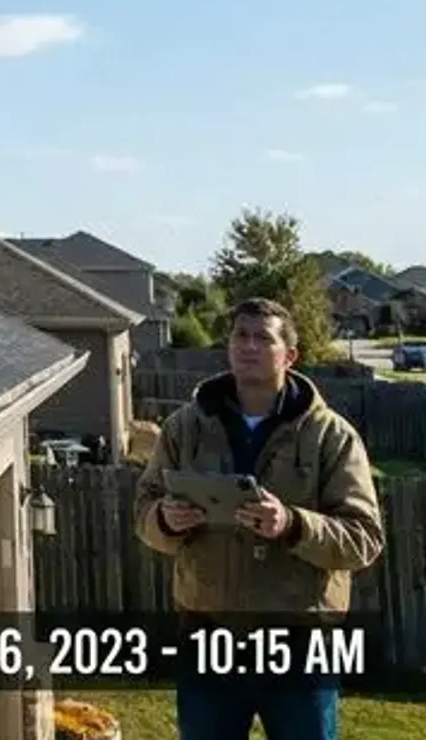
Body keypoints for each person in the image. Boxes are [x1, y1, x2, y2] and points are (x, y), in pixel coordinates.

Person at [134, 297, 384, 740]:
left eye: (262, 337)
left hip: (301, 644)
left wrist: (292, 524)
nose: (248, 346)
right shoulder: (184, 428)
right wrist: (167, 519)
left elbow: (363, 538)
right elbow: (144, 512)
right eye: (240, 336)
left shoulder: (331, 436)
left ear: (290, 355)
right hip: (209, 636)